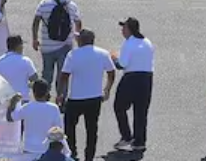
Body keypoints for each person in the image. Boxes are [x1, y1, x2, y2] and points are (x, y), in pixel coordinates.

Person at [59, 27, 115, 161]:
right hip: (95, 98)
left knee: (69, 127)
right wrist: (106, 89)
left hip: (76, 98)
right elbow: (111, 72)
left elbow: (64, 76)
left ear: (81, 41)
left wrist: (61, 93)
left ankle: (72, 153)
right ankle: (89, 157)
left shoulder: (73, 55)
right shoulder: (103, 53)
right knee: (91, 129)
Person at [33, 0, 83, 97]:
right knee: (63, 74)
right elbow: (78, 22)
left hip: (47, 46)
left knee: (47, 73)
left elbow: (36, 21)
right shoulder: (71, 5)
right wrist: (77, 35)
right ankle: (61, 98)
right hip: (65, 45)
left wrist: (35, 39)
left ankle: (44, 96)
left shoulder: (44, 3)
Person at [112, 17, 154, 152]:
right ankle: (139, 141)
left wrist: (114, 58)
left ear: (129, 30)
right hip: (147, 78)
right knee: (141, 111)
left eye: (124, 28)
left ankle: (126, 136)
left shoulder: (128, 43)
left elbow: (122, 64)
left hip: (131, 78)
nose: (122, 30)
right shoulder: (147, 42)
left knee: (119, 106)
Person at [9, 80, 65, 158]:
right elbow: (59, 130)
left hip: (29, 149)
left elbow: (11, 117)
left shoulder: (26, 107)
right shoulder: (54, 108)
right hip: (46, 150)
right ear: (47, 92)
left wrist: (13, 102)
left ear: (33, 92)